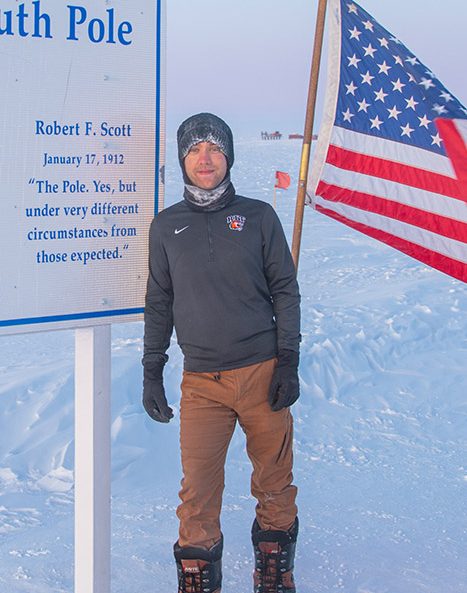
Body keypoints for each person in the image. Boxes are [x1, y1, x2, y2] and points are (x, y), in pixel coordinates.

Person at [142, 112, 301, 593]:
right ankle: (198, 580)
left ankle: (273, 573)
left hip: (261, 373)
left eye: (214, 148)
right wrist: (153, 370)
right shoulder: (167, 226)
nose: (204, 158)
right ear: (182, 160)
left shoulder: (258, 217)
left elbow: (285, 292)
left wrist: (288, 361)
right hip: (202, 383)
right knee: (197, 494)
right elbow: (159, 302)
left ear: (228, 156)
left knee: (274, 483)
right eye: (194, 150)